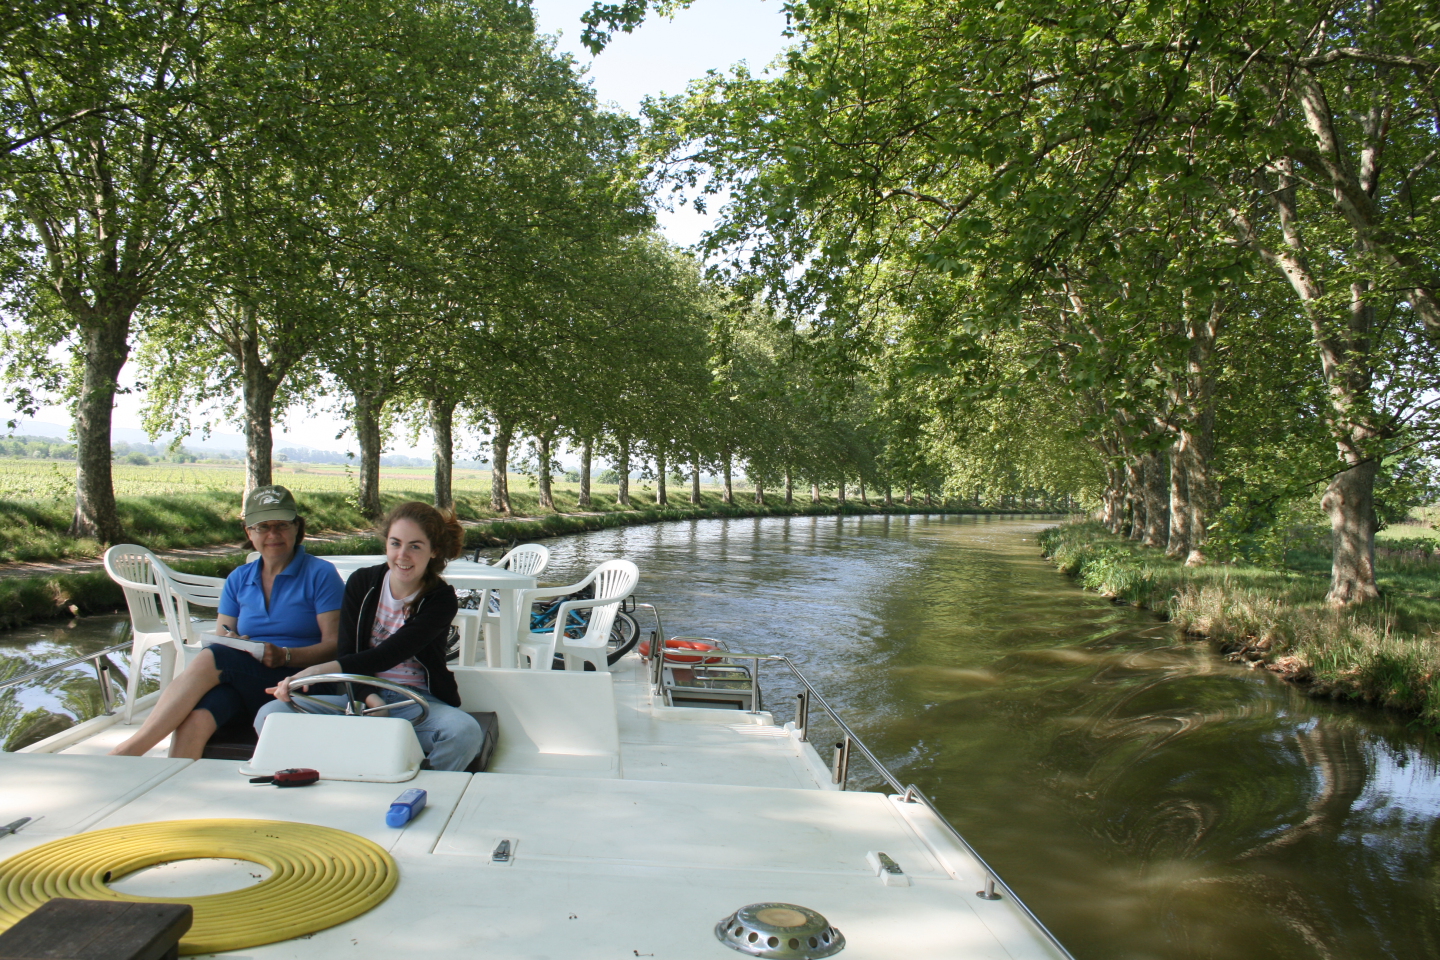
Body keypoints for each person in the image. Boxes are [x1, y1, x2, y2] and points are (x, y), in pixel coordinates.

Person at [110, 485, 344, 759]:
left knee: (214, 657)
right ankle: (172, 785)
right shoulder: (239, 578)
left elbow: (335, 645)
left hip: (303, 682)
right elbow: (223, 633)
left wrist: (285, 656)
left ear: (297, 527)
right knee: (198, 714)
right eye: (262, 527)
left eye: (282, 525)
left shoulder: (321, 574)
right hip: (249, 680)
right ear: (249, 532)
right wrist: (234, 642)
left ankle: (129, 752)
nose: (273, 534)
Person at [257, 501, 483, 772]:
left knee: (465, 732)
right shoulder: (362, 583)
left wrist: (312, 671)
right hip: (359, 697)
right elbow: (349, 653)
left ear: (434, 551)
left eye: (415, 546)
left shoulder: (441, 599)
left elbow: (387, 654)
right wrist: (371, 698)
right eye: (395, 543)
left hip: (416, 703)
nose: (402, 555)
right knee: (270, 715)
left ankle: (421, 790)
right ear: (386, 544)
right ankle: (319, 778)